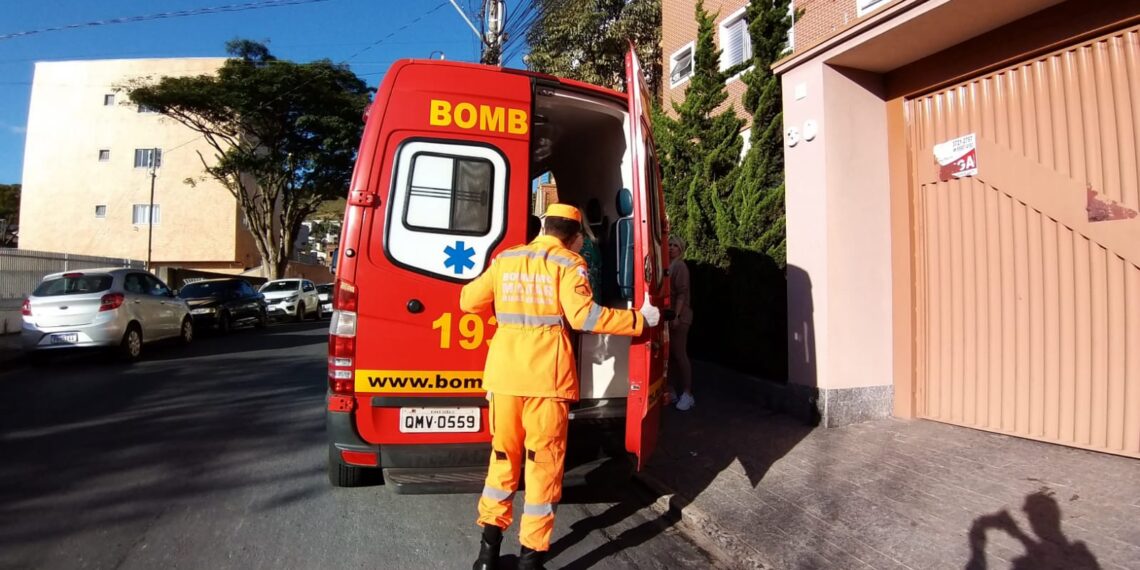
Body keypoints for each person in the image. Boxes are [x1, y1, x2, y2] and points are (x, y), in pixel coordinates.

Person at [461, 203, 661, 570]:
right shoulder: (569, 264)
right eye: (581, 239)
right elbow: (584, 315)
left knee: (503, 459)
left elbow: (468, 301)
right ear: (574, 236)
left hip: (505, 377)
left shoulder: (506, 259)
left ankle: (487, 554)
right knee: (543, 465)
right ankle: (530, 560)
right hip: (546, 381)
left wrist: (508, 319)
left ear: (544, 227)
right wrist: (638, 319)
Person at [667, 234, 695, 411]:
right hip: (671, 316)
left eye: (674, 245)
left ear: (680, 249)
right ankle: (672, 390)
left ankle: (688, 393)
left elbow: (682, 293)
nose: (670, 248)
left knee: (679, 354)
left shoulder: (680, 266)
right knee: (670, 355)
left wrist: (676, 316)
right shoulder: (668, 266)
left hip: (680, 316)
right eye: (669, 245)